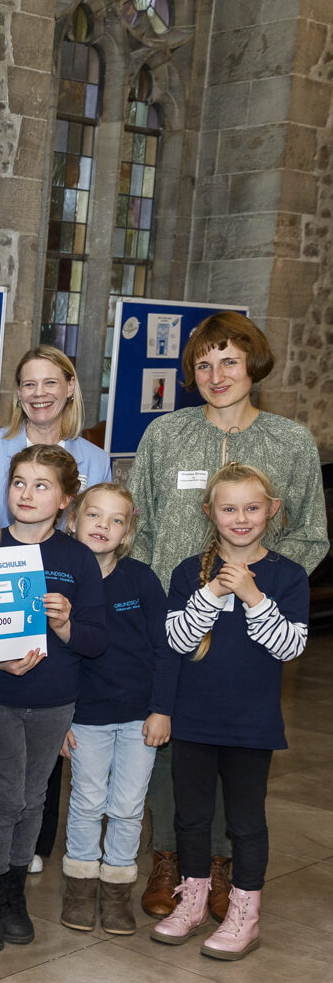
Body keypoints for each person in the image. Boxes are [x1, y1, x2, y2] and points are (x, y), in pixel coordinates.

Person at [126, 313, 327, 919]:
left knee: (234, 748)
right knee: (170, 741)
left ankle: (218, 866)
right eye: (205, 364)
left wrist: (259, 592)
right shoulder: (164, 435)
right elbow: (142, 529)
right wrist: (158, 605)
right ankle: (169, 856)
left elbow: (312, 536)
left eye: (230, 361)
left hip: (255, 622)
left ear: (253, 366)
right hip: (177, 617)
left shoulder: (290, 441)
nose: (217, 375)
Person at [151, 463, 309, 959]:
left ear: (272, 511)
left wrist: (253, 596)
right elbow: (176, 640)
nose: (241, 518)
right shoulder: (186, 572)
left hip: (251, 723)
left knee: (245, 822)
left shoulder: (287, 576)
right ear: (210, 513)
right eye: (228, 508)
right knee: (191, 817)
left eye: (252, 508)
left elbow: (289, 648)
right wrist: (213, 592)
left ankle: (245, 912)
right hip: (194, 719)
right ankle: (193, 900)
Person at [0, 446, 107, 953]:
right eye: (19, 482)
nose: (27, 494)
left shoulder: (77, 558)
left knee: (34, 799)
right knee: (3, 800)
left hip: (54, 700)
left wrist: (66, 621)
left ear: (66, 498)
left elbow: (96, 639)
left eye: (42, 485)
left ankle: (14, 894)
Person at [59, 483, 171, 936]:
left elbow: (166, 649)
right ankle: (81, 889)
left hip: (139, 716)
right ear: (73, 522)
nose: (103, 525)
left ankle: (117, 888)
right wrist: (60, 717)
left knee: (127, 806)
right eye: (94, 515)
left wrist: (162, 708)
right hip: (85, 715)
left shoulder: (141, 579)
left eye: (116, 519)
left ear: (127, 533)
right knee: (86, 801)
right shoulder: (59, 578)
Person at [0, 345, 112, 526]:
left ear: (70, 387)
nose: (39, 393)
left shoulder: (97, 461)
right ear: (19, 392)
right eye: (30, 384)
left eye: (50, 383)